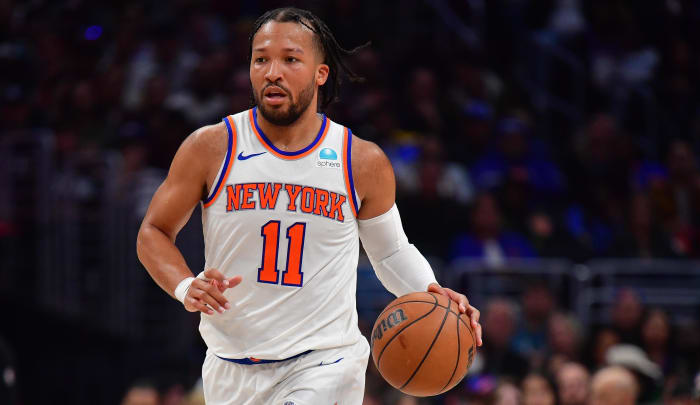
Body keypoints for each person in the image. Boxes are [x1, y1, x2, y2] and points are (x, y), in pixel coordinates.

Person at [136, 7, 482, 404]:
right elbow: (153, 232)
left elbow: (390, 252)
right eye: (261, 59)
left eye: (290, 59)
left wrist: (434, 292)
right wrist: (184, 286)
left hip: (325, 364)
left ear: (321, 73)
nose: (272, 72)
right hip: (229, 367)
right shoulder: (211, 147)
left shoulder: (360, 161)